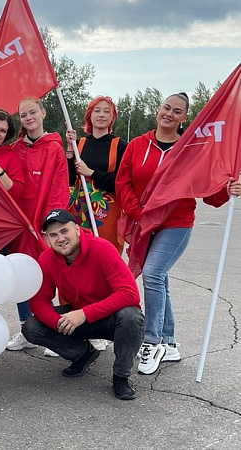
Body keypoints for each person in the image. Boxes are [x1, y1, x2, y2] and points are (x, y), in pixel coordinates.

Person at [116, 92, 241, 375]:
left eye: (177, 111)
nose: (169, 114)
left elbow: (209, 193)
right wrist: (139, 212)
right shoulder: (137, 145)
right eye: (167, 107)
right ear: (158, 109)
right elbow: (123, 183)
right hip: (144, 222)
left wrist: (228, 188)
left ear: (185, 118)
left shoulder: (190, 151)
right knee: (159, 279)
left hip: (177, 222)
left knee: (153, 274)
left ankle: (152, 342)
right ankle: (170, 343)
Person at [22, 209, 145, 400]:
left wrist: (84, 314)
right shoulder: (47, 259)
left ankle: (121, 376)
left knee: (132, 317)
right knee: (31, 328)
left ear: (78, 230)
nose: (60, 239)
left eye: (64, 231)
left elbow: (130, 294)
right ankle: (82, 354)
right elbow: (39, 300)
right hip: (77, 317)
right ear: (47, 239)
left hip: (111, 318)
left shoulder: (102, 248)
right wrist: (57, 322)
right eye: (53, 235)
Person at [6, 97, 69, 352]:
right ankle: (25, 328)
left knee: (47, 279)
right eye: (23, 115)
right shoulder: (15, 149)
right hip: (20, 223)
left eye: (32, 112)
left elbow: (58, 188)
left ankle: (53, 332)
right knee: (22, 277)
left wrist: (50, 225)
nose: (28, 118)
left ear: (43, 113)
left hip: (42, 223)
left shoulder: (54, 148)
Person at [66, 95, 127, 254]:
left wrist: (92, 173)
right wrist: (70, 150)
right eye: (97, 111)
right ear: (89, 116)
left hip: (107, 213)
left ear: (112, 118)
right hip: (79, 211)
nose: (101, 115)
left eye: (106, 112)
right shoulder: (79, 144)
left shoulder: (120, 146)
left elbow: (121, 182)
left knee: (106, 256)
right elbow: (69, 180)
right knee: (78, 255)